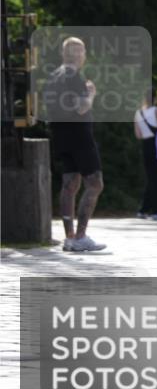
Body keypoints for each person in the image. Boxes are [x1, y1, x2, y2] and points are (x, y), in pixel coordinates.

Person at [46, 37, 106, 252]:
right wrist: (91, 94)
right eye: (81, 52)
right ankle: (80, 236)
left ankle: (69, 237)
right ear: (78, 55)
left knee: (70, 184)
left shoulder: (54, 76)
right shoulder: (75, 77)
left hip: (60, 135)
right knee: (95, 184)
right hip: (80, 135)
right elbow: (81, 108)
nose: (82, 56)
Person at [134, 87, 157, 220]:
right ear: (156, 98)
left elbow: (138, 135)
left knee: (151, 178)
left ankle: (144, 209)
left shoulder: (138, 113)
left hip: (146, 146)